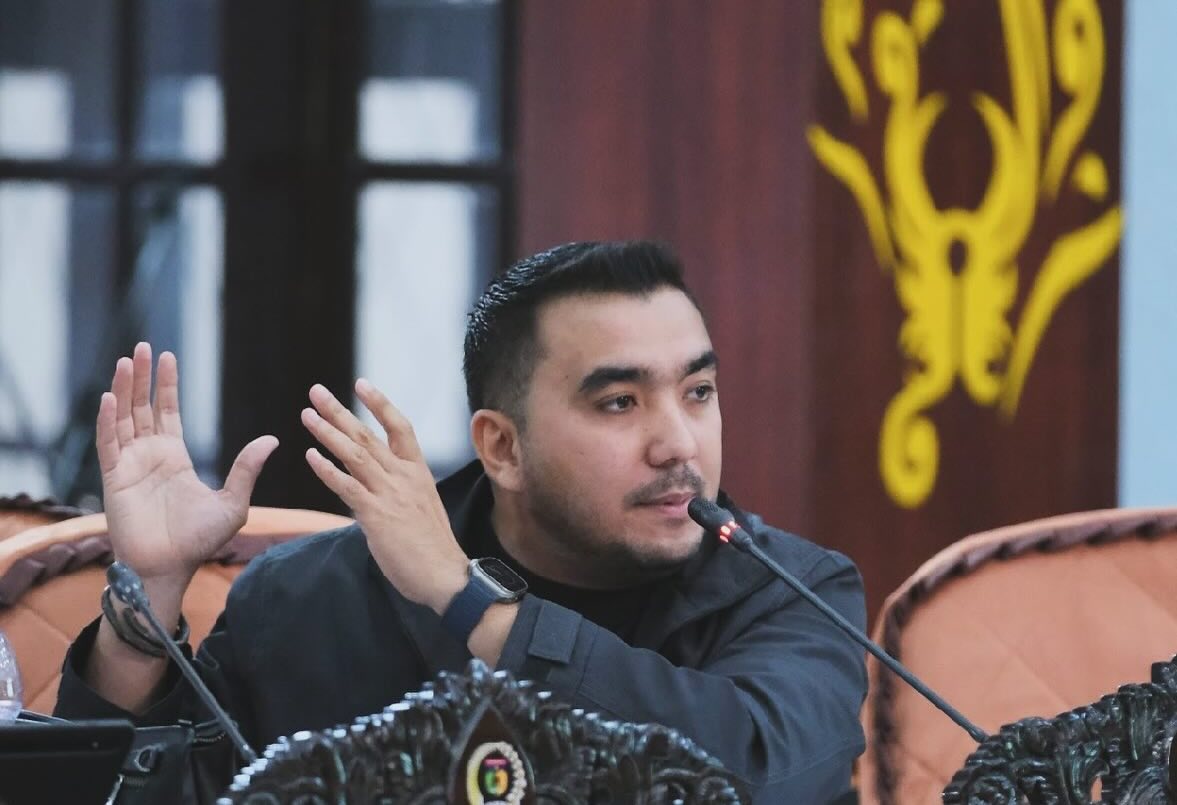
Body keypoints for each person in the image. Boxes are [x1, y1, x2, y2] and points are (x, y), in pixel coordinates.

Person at [55, 241, 867, 802]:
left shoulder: (792, 593)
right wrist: (144, 605)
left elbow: (758, 777)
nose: (678, 442)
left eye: (698, 392)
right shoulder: (307, 602)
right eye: (620, 402)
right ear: (503, 447)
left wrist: (469, 602)